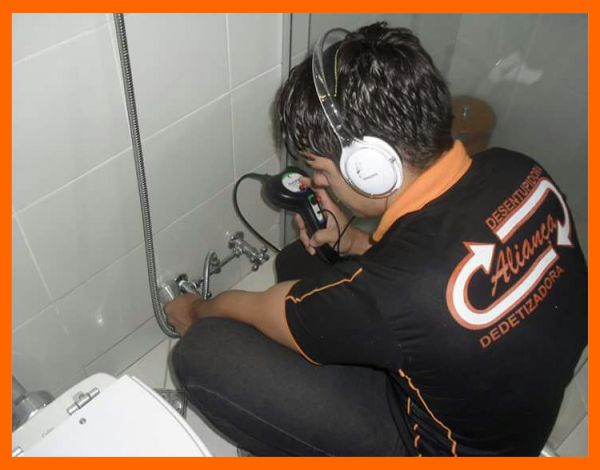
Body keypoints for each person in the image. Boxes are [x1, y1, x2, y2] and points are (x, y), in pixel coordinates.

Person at [165, 23, 587, 456]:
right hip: (501, 403)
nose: (317, 181)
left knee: (203, 352)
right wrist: (350, 242)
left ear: (369, 167)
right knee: (298, 261)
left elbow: (271, 309)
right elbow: (443, 264)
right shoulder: (518, 169)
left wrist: (195, 311)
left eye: (320, 168)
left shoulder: (398, 293)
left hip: (439, 449)